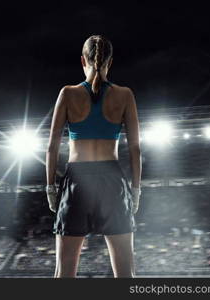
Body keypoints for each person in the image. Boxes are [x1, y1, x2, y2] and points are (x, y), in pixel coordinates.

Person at [45, 35, 141, 278]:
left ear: (82, 61)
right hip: (112, 181)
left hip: (77, 181)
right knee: (126, 274)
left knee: (64, 273)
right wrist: (136, 190)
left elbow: (51, 148)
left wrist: (50, 188)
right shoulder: (125, 95)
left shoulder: (67, 93)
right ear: (110, 62)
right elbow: (135, 150)